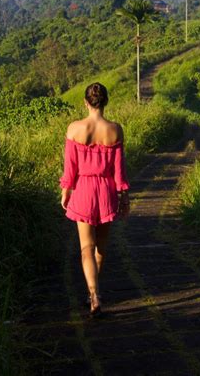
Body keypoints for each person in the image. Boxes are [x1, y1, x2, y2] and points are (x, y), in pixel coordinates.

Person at [59, 81, 130, 317]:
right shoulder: (115, 129)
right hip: (106, 190)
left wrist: (65, 191)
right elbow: (119, 170)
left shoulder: (74, 129)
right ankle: (95, 289)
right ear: (105, 101)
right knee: (101, 248)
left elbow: (70, 168)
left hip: (83, 190)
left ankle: (93, 294)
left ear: (86, 102)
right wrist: (124, 195)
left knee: (85, 248)